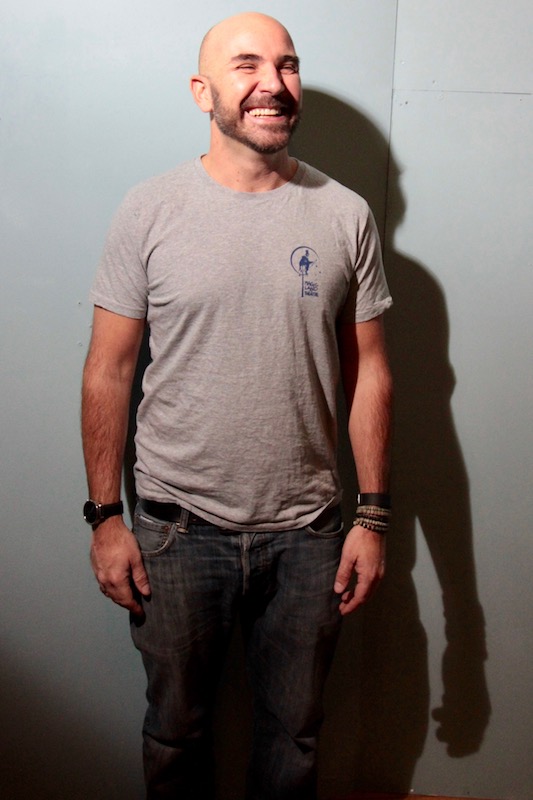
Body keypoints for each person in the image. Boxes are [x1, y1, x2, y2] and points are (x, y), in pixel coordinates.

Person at [81, 11, 393, 800]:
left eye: (287, 66)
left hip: (309, 534)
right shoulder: (149, 209)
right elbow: (107, 371)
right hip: (175, 530)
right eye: (247, 65)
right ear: (202, 91)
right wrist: (105, 517)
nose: (272, 84)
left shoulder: (344, 214)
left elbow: (370, 373)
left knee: (294, 737)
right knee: (175, 734)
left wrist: (372, 516)